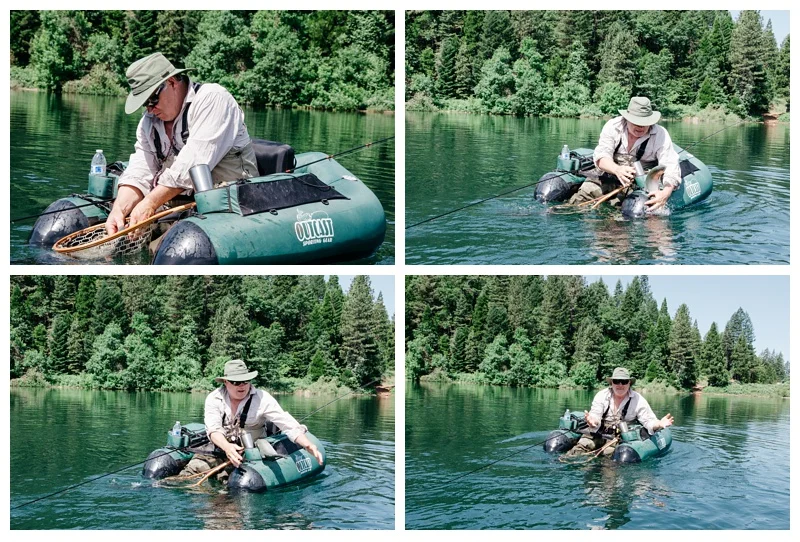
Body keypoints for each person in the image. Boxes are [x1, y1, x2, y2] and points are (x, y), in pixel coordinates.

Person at [106, 52, 258, 235]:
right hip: (181, 205)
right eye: (144, 103)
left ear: (171, 82)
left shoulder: (213, 99)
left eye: (152, 99)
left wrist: (150, 203)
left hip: (231, 204)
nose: (150, 109)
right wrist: (119, 210)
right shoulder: (148, 122)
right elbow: (140, 170)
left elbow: (192, 164)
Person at [182, 359, 324, 475]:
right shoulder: (213, 398)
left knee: (233, 486)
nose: (242, 385)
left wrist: (307, 444)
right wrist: (227, 447)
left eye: (245, 381)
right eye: (236, 382)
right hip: (221, 448)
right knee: (192, 470)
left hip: (253, 453)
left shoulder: (263, 398)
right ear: (225, 382)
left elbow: (287, 424)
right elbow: (213, 430)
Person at [568, 96, 681, 210]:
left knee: (630, 211)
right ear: (627, 118)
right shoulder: (613, 126)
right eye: (636, 122)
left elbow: (670, 165)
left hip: (641, 181)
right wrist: (617, 169)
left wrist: (666, 192)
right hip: (611, 172)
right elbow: (601, 157)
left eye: (644, 123)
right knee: (581, 197)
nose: (640, 127)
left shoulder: (660, 134)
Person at [566, 367, 674, 457]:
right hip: (598, 433)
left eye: (624, 382)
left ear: (629, 383)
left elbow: (648, 421)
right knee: (577, 450)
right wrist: (592, 420)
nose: (620, 385)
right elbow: (595, 415)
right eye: (616, 381)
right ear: (612, 383)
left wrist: (659, 424)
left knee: (609, 465)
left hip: (618, 439)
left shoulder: (638, 400)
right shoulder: (602, 395)